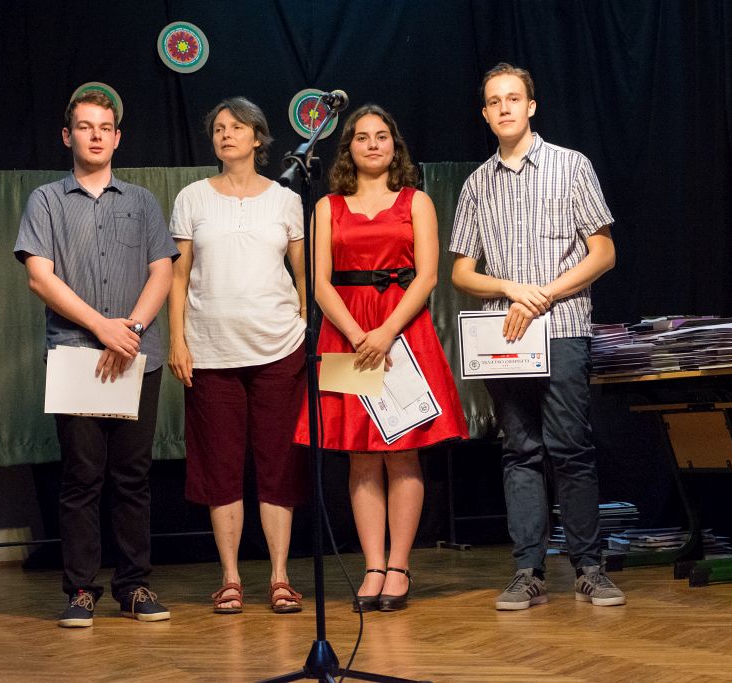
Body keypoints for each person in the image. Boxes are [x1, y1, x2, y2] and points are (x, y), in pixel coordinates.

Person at [450, 63, 623, 610]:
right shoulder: (477, 183)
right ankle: (528, 570)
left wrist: (543, 294)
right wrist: (509, 288)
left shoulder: (571, 166)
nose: (504, 107)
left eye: (513, 98)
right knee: (519, 450)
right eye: (494, 101)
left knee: (569, 447)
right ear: (485, 114)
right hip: (504, 336)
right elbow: (461, 272)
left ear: (531, 106)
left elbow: (603, 252)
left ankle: (589, 568)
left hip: (563, 327)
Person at [14, 90, 178, 627]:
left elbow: (162, 270)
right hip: (76, 355)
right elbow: (40, 277)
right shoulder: (46, 200)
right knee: (82, 476)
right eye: (85, 127)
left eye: (105, 127)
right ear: (68, 136)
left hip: (136, 354)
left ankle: (133, 585)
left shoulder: (142, 201)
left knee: (132, 476)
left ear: (117, 137)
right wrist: (101, 327)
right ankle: (82, 589)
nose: (96, 135)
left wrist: (130, 331)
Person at [296, 104, 469, 613]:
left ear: (395, 146)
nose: (372, 144)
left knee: (403, 449)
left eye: (381, 136)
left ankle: (399, 565)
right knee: (361, 454)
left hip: (403, 332)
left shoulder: (417, 201)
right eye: (362, 137)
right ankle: (372, 566)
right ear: (347, 147)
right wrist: (355, 334)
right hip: (346, 332)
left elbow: (428, 276)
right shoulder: (327, 206)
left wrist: (386, 332)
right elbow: (319, 282)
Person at [167, 97, 308, 615]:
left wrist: (303, 323)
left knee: (278, 464)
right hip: (210, 351)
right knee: (220, 466)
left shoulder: (286, 200)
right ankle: (229, 577)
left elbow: (303, 273)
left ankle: (279, 577)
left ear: (258, 138)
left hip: (279, 349)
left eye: (237, 127)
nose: (226, 134)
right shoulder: (192, 197)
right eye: (219, 128)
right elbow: (178, 276)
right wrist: (177, 340)